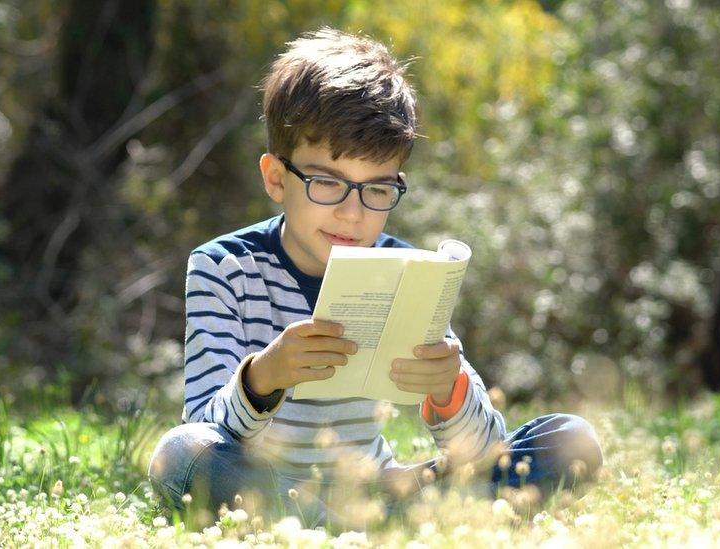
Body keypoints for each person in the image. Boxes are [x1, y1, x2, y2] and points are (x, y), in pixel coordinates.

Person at [147, 27, 602, 529]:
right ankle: (342, 528)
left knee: (569, 440)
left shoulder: (407, 271)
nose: (351, 213)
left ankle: (338, 528)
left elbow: (484, 452)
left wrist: (447, 389)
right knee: (180, 455)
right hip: (267, 488)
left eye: (377, 190)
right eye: (325, 183)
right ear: (276, 178)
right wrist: (265, 378)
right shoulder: (223, 267)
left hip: (380, 492)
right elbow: (206, 435)